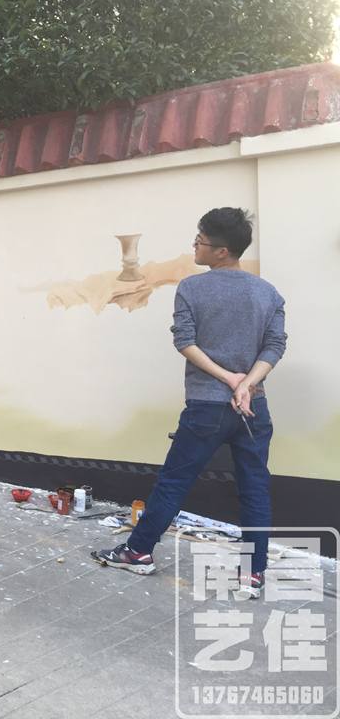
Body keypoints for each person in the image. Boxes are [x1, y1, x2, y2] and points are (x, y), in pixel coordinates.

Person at [92, 208, 286, 597]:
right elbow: (275, 345)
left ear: (222, 251)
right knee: (254, 488)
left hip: (206, 407)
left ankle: (138, 552)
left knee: (174, 481)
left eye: (200, 241)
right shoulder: (268, 293)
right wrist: (246, 383)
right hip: (252, 408)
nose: (194, 246)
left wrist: (229, 379)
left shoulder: (192, 288)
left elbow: (184, 341)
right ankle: (253, 574)